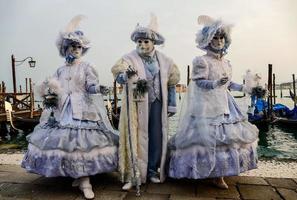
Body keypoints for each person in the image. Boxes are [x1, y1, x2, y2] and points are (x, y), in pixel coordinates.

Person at [21, 15, 119, 199]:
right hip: (62, 109)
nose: (75, 49)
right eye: (72, 46)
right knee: (64, 142)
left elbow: (90, 86)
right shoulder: (60, 69)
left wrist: (99, 88)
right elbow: (56, 87)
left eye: (78, 46)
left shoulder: (87, 66)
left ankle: (85, 180)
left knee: (81, 142)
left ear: (82, 49)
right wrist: (49, 93)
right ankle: (76, 174)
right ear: (65, 48)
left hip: (82, 109)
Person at [168, 15, 259, 189]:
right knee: (207, 139)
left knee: (227, 138)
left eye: (221, 37)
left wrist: (246, 89)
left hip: (226, 104)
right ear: (208, 40)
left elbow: (229, 84)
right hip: (207, 106)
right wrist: (215, 83)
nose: (218, 41)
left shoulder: (227, 63)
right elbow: (199, 82)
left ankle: (220, 174)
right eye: (215, 37)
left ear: (226, 40)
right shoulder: (201, 61)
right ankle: (202, 171)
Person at [111, 14, 180, 190]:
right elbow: (119, 77)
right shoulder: (128, 58)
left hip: (157, 102)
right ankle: (133, 173)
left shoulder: (165, 60)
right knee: (135, 134)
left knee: (156, 136)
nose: (142, 45)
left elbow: (171, 83)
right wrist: (124, 76)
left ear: (153, 42)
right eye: (139, 42)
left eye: (146, 42)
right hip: (135, 105)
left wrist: (172, 104)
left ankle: (151, 171)